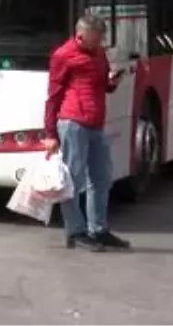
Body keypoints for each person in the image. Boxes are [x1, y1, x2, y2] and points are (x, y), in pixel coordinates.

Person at [42, 15, 130, 252]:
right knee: (73, 180)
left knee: (101, 178)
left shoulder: (99, 53)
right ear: (81, 35)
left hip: (95, 123)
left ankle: (98, 230)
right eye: (96, 38)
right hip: (73, 123)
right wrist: (50, 133)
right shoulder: (63, 55)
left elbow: (103, 85)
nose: (100, 43)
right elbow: (53, 96)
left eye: (101, 38)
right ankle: (75, 231)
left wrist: (113, 82)